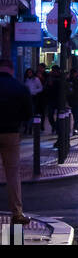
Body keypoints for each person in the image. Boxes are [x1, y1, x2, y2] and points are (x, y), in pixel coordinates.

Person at [0, 58, 32, 226]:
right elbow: (28, 114)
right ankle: (17, 213)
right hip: (11, 133)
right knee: (13, 174)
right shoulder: (20, 88)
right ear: (11, 70)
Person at [23, 68, 42, 134]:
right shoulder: (26, 79)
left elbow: (40, 88)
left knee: (32, 112)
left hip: (33, 97)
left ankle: (30, 128)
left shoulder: (36, 79)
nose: (29, 74)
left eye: (30, 72)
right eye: (28, 72)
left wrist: (34, 91)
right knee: (26, 112)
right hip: (27, 97)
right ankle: (26, 127)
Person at [44, 65, 61, 133]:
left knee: (59, 116)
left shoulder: (61, 78)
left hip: (58, 99)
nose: (54, 72)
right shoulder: (49, 78)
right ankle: (55, 127)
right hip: (50, 99)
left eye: (55, 71)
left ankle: (56, 127)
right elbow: (46, 87)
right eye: (53, 70)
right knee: (50, 115)